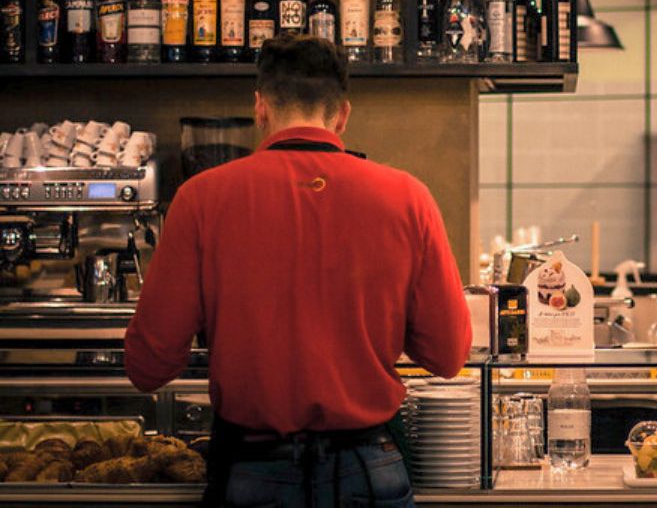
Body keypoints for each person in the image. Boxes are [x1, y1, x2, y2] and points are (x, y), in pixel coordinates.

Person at [125, 35, 471, 507]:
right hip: (370, 470)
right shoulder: (408, 198)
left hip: (250, 470)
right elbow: (449, 354)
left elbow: (148, 365)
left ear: (260, 107)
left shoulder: (200, 199)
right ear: (343, 113)